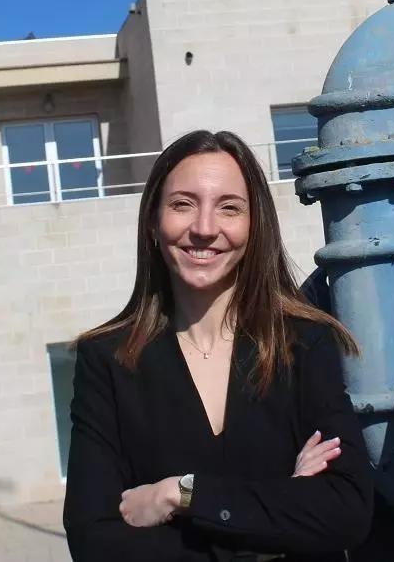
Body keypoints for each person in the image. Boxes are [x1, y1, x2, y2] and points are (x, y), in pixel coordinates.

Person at [63, 130, 374, 561]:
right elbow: (95, 543)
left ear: (254, 226)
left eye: (229, 208)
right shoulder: (107, 360)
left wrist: (182, 494)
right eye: (182, 204)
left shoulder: (302, 342)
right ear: (153, 221)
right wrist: (280, 512)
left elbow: (346, 513)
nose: (205, 229)